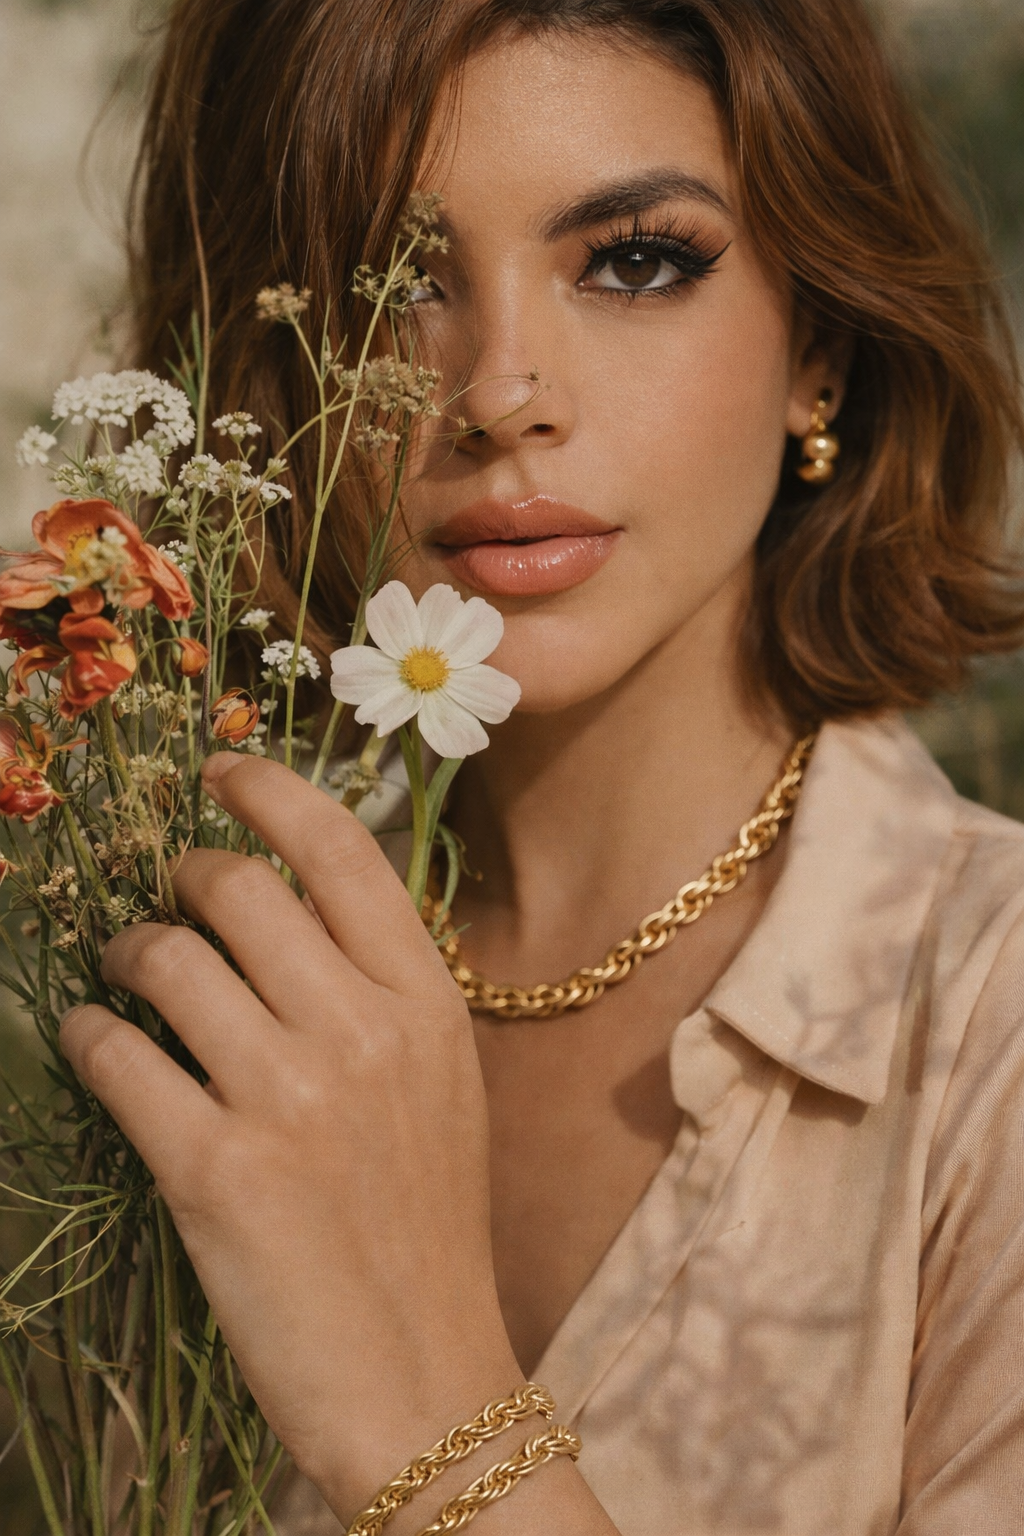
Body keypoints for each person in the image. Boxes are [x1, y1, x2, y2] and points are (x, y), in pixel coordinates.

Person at [59, 1, 1024, 1532]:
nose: (502, 390)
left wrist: (431, 1411)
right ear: (264, 362)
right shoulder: (172, 986)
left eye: (636, 260)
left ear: (818, 352)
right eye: (391, 281)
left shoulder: (989, 1027)